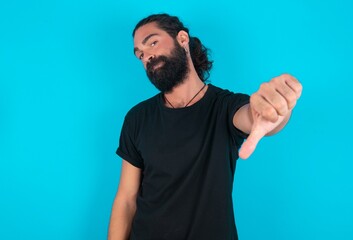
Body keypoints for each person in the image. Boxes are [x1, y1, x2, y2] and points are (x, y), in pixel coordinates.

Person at [108, 13, 302, 240]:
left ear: (182, 39)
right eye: (140, 55)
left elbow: (252, 116)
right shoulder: (137, 117)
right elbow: (126, 198)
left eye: (152, 42)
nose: (147, 56)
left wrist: (273, 112)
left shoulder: (225, 107)